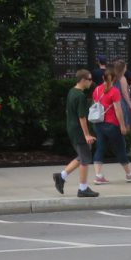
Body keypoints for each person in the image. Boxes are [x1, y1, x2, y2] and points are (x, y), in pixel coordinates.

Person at [53, 69, 99, 198]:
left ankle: (61, 176)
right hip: (78, 130)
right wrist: (87, 135)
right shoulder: (80, 96)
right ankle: (82, 188)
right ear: (83, 80)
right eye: (89, 79)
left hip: (72, 128)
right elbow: (82, 117)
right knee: (85, 159)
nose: (91, 82)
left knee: (82, 155)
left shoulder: (72, 91)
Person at [92, 60, 131, 183]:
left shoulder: (97, 90)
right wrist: (122, 125)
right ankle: (129, 174)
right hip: (112, 124)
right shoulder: (114, 91)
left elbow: (96, 105)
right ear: (115, 78)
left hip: (99, 124)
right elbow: (118, 110)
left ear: (102, 77)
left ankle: (98, 176)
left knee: (100, 148)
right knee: (120, 149)